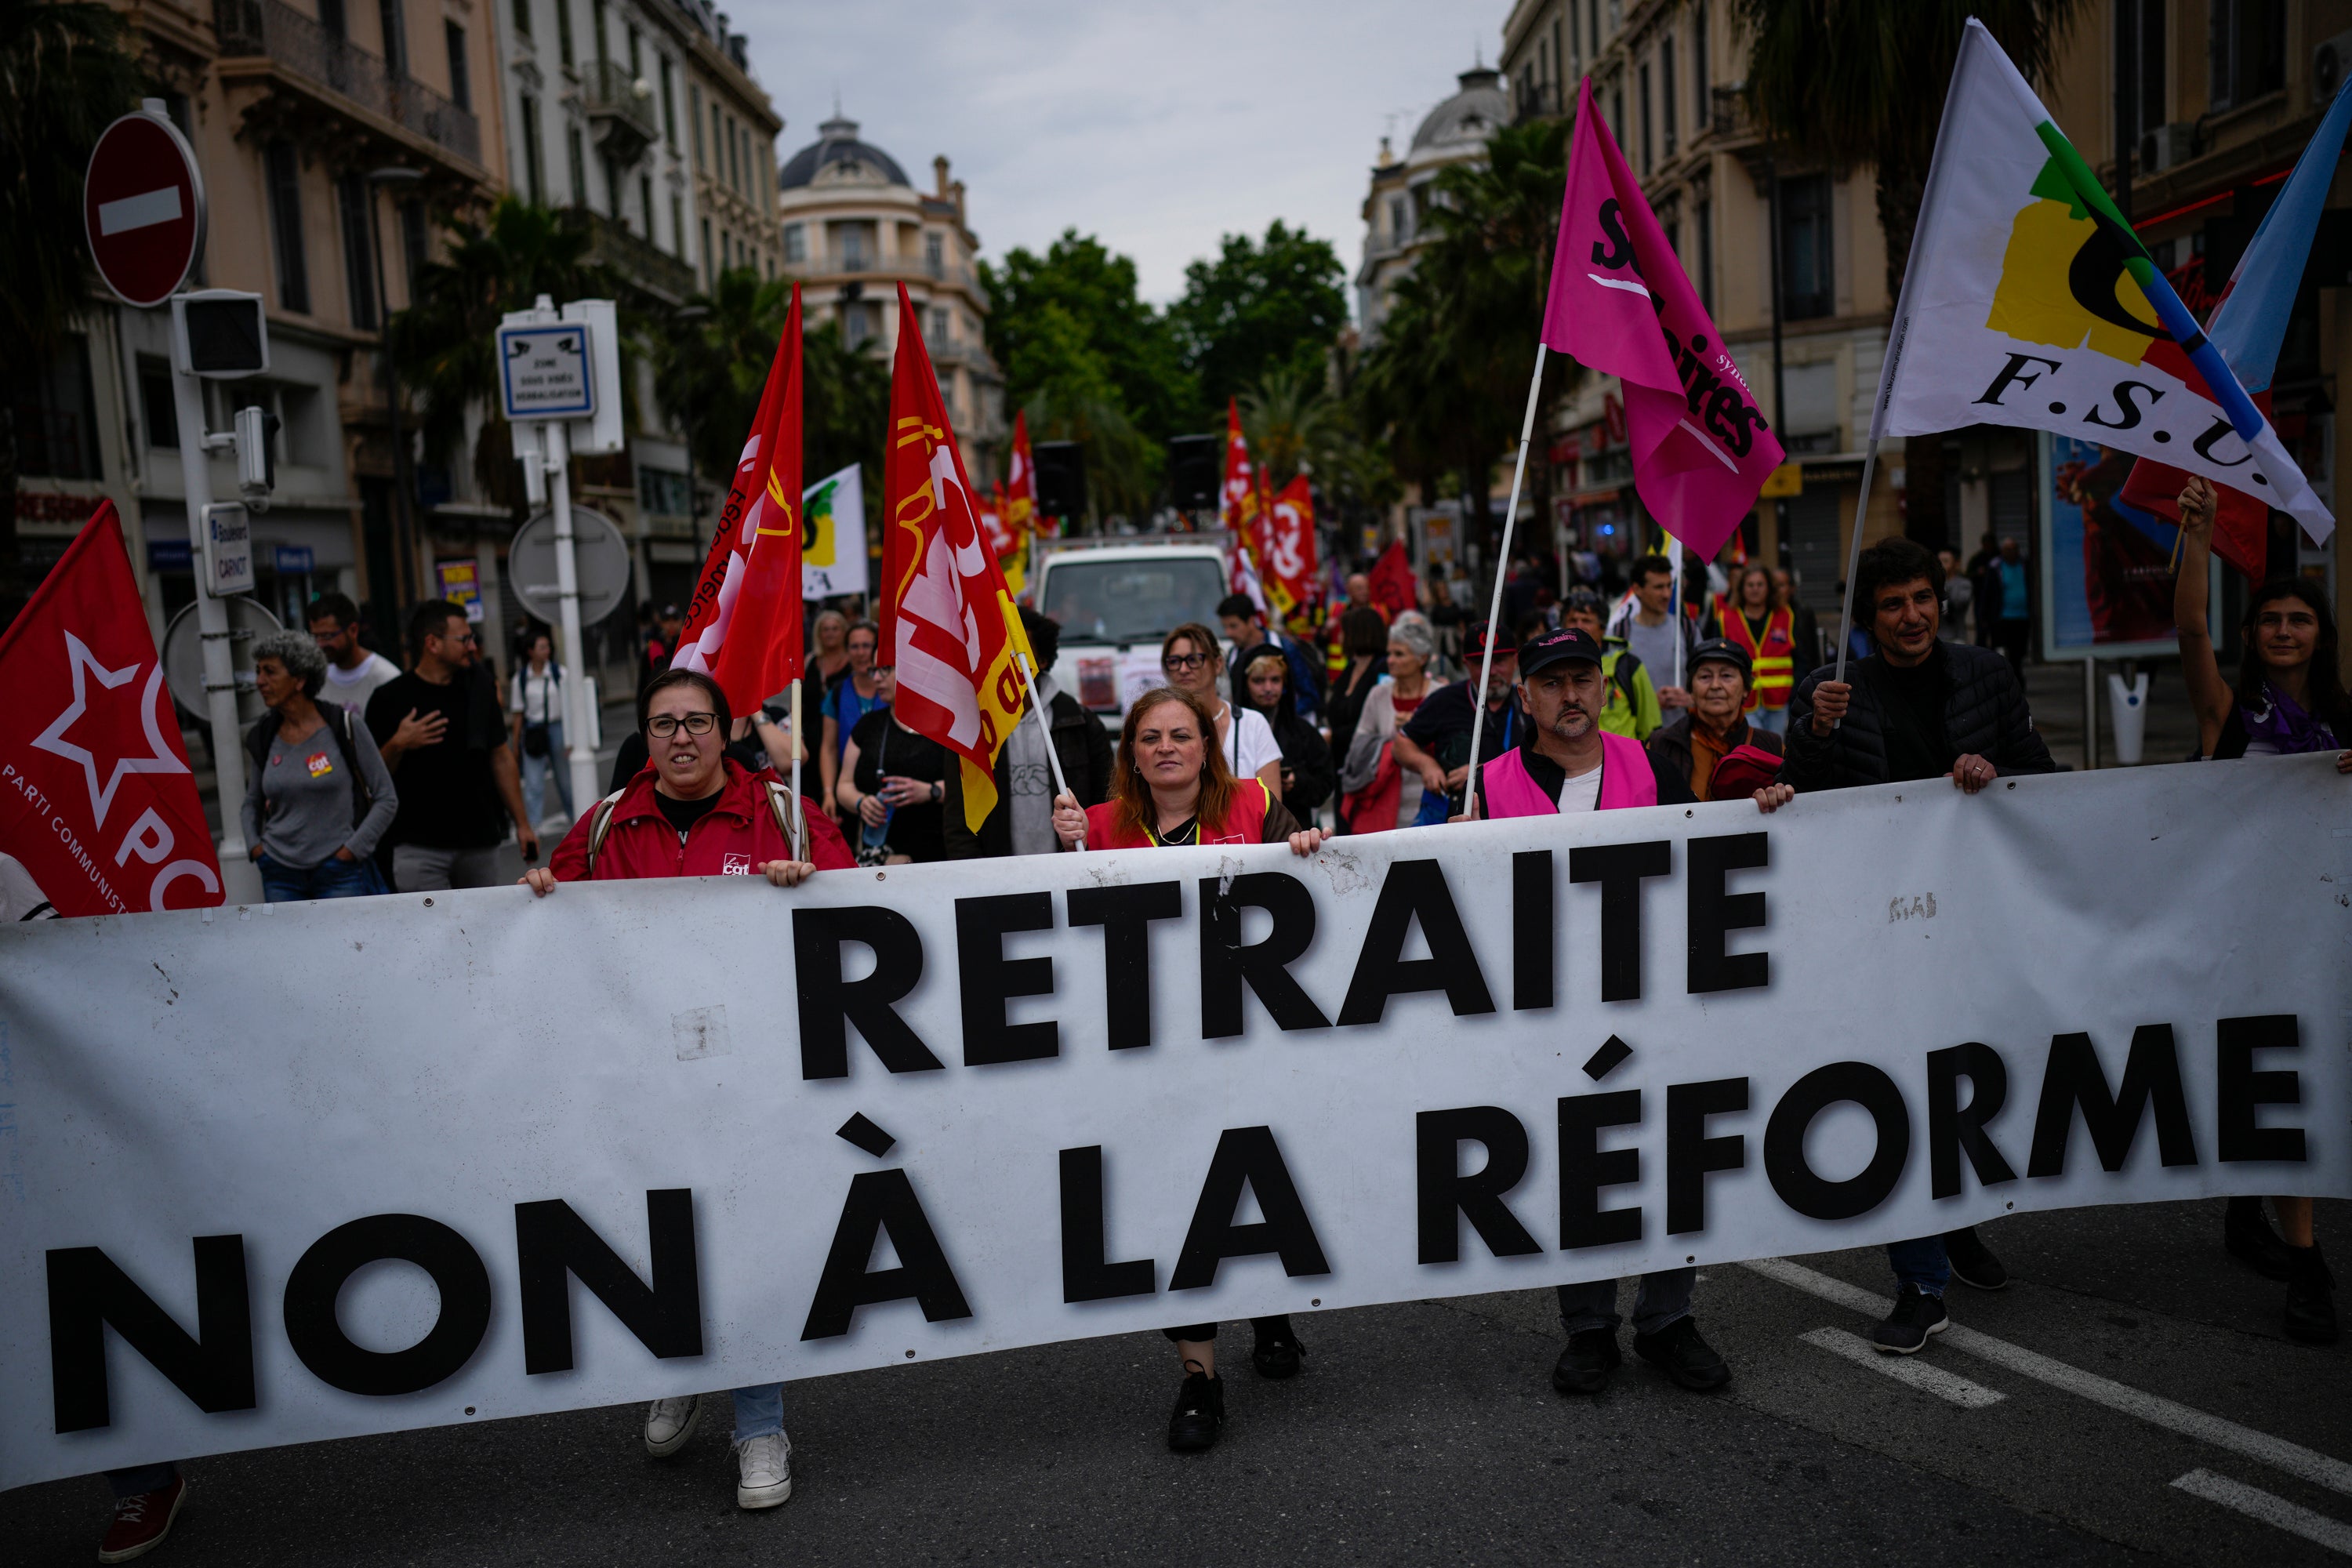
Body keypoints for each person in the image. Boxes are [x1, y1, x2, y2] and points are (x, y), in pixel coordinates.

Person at [524, 668, 849, 1512]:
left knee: (740, 1238)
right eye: (664, 723)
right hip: (640, 1076)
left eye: (696, 721)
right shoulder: (602, 828)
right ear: (647, 735)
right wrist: (537, 900)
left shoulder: (781, 812)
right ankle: (681, 1366)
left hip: (749, 1071)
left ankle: (760, 1422)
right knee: (655, 1233)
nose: (680, 737)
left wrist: (809, 881)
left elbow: (858, 906)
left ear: (726, 728)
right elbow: (548, 938)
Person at [1453, 626, 1789, 1397]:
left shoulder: (1651, 764)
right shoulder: (1489, 783)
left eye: (1584, 679)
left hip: (1654, 996)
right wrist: (1453, 844)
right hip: (1549, 1008)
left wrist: (1763, 811)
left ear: (1603, 690)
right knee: (1581, 1160)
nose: (1571, 695)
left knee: (1669, 1150)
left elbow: (1706, 854)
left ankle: (1668, 1317)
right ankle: (1589, 1326)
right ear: (1527, 696)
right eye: (1554, 682)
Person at [1780, 537, 2054, 1353]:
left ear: (1944, 598)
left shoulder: (1987, 676)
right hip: (1880, 929)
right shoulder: (1833, 691)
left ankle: (1957, 1218)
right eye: (1893, 603)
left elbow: (2045, 779)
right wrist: (1817, 734)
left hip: (1974, 923)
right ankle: (1921, 1281)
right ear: (1867, 617)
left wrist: (1994, 768)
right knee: (1901, 1088)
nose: (1912, 615)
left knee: (1964, 1082)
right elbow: (1806, 798)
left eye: (1923, 597)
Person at [1048, 685, 1326, 1453]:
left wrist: (1304, 848)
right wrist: (1061, 853)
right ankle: (1199, 1375)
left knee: (1257, 1181)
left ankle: (1270, 1309)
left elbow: (1322, 888)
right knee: (1178, 1202)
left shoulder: (1255, 806)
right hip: (1148, 1056)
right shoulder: (1094, 829)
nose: (1166, 747)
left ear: (1207, 746)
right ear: (1130, 753)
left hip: (1252, 1040)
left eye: (1181, 734)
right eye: (1150, 737)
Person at [2175, 474, 2351, 1344]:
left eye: (2300, 619)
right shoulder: (2229, 714)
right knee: (2288, 1088)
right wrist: (2199, 537)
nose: (2285, 631)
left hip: (2329, 929)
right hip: (2249, 933)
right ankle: (2309, 1266)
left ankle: (2252, 1206)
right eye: (2272, 620)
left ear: (2320, 635)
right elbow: (2190, 629)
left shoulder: (2347, 724)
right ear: (2253, 635)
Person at [365, 601, 538, 891]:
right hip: (417, 846)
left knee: (481, 933)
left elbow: (501, 757)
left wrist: (522, 824)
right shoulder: (389, 699)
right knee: (429, 934)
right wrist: (399, 743)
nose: (472, 646)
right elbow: (371, 776)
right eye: (464, 639)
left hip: (480, 842)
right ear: (432, 643)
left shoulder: (480, 687)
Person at [242, 630, 397, 902]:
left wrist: (352, 851)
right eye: (258, 671)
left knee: (348, 945)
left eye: (270, 672)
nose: (260, 681)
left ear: (300, 679)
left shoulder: (345, 726)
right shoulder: (264, 734)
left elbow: (386, 797)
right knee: (290, 947)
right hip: (280, 873)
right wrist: (256, 848)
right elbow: (252, 801)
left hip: (340, 872)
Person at [945, 608, 1113, 856]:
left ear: (1042, 660)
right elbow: (958, 817)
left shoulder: (1080, 722)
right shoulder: (972, 727)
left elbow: (1107, 803)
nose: (1007, 658)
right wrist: (973, 874)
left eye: (1016, 649)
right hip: (997, 875)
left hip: (1071, 869)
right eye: (999, 650)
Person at [1392, 620, 1521, 824]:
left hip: (1517, 817)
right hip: (1456, 823)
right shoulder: (1444, 700)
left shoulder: (1531, 703)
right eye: (1481, 663)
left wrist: (1480, 774)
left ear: (1515, 660)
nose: (1492, 671)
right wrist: (1426, 764)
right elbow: (1402, 744)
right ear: (1466, 664)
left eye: (1499, 661)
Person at [835, 663, 951, 863]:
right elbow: (844, 785)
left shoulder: (948, 724)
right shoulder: (868, 726)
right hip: (882, 858)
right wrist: (861, 802)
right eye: (873, 670)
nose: (877, 678)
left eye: (886, 669)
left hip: (940, 853)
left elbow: (973, 788)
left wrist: (932, 791)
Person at [1646, 639, 1784, 800]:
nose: (1715, 685)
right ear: (1691, 689)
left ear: (1746, 689)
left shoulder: (1770, 746)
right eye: (1705, 676)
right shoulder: (1662, 744)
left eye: (1726, 676)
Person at [1159, 622, 1283, 799]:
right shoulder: (1158, 728)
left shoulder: (1252, 725)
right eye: (1174, 662)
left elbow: (1272, 808)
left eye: (1194, 660)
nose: (1183, 669)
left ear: (1217, 664)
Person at [1336, 615, 1438, 832]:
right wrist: (1394, 738)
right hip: (1381, 809)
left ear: (1422, 658)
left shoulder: (1438, 695)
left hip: (1429, 806)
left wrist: (1416, 732)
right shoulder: (1378, 695)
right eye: (1390, 653)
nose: (1390, 660)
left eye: (1399, 654)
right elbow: (1358, 748)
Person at [1237, 646, 1334, 816]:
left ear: (1285, 683)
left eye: (1275, 680)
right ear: (1245, 684)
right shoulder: (1232, 728)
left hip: (1296, 828)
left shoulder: (1303, 731)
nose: (1268, 688)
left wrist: (1296, 782)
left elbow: (1325, 783)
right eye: (1259, 681)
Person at [1707, 562, 1797, 735]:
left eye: (1760, 585)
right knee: (1754, 751)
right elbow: (1716, 661)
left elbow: (1800, 658)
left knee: (1776, 751)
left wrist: (1795, 694)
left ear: (1769, 588)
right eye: (1750, 585)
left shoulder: (1786, 616)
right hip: (1743, 699)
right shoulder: (1726, 619)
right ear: (1741, 589)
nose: (1755, 589)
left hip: (1779, 700)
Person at [1563, 588, 1664, 741]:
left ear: (1602, 628)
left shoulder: (1628, 666)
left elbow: (1651, 729)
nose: (1578, 627)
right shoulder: (1553, 669)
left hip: (1624, 762)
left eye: (1587, 621)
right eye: (1573, 620)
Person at [1606, 554, 1696, 713]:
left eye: (1669, 586)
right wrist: (1650, 701)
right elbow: (1609, 691)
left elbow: (1706, 681)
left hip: (1682, 732)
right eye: (1659, 587)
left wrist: (1691, 698)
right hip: (1637, 735)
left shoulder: (1686, 628)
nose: (1667, 594)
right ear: (1638, 589)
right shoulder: (1619, 633)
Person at [1218, 593, 1323, 724]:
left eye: (1233, 626)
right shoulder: (1233, 656)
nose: (1228, 633)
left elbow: (1310, 696)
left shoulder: (1285, 648)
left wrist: (1282, 720)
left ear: (1251, 621)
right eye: (1225, 627)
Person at [819, 619, 885, 826]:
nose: (860, 653)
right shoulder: (838, 692)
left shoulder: (893, 689)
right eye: (854, 647)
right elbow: (828, 748)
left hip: (887, 791)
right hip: (848, 791)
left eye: (866, 646)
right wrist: (829, 792)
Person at [508, 630, 574, 826]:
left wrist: (571, 738)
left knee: (565, 781)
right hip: (534, 731)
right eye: (542, 647)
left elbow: (571, 707)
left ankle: (576, 820)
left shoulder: (559, 673)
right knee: (533, 783)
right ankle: (533, 828)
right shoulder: (520, 680)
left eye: (548, 646)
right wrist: (516, 744)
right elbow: (518, 713)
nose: (547, 651)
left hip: (558, 728)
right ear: (530, 651)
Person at [308, 592, 402, 719]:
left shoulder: (387, 678)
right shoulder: (317, 681)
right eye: (315, 636)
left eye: (327, 636)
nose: (320, 644)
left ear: (353, 630)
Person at [1322, 606, 1392, 769]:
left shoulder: (1383, 669)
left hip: (1368, 763)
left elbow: (1378, 721)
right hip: (1343, 761)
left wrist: (1335, 736)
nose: (1339, 637)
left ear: (1359, 634)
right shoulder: (1351, 667)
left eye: (1343, 632)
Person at [1989, 535, 2031, 677]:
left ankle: (2017, 680)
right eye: (2008, 549)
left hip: (2022, 617)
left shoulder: (2025, 565)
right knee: (2002, 652)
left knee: (2018, 654)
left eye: (2014, 549)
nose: (2011, 552)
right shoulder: (1996, 567)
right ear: (2002, 551)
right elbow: (1988, 594)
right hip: (2004, 617)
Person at [640, 602, 684, 694]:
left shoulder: (688, 646)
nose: (671, 624)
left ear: (681, 622)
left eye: (675, 620)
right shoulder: (652, 649)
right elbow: (643, 682)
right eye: (667, 620)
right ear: (661, 624)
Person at [1936, 547, 1973, 641]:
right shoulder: (1932, 583)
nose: (1941, 565)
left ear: (1956, 564)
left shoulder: (1964, 584)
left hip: (1956, 636)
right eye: (1939, 561)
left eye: (1945, 561)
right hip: (1937, 636)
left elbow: (1960, 603)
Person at [809, 608, 853, 686]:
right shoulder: (809, 661)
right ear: (819, 634)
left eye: (835, 629)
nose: (830, 634)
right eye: (826, 630)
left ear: (844, 632)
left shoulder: (854, 660)